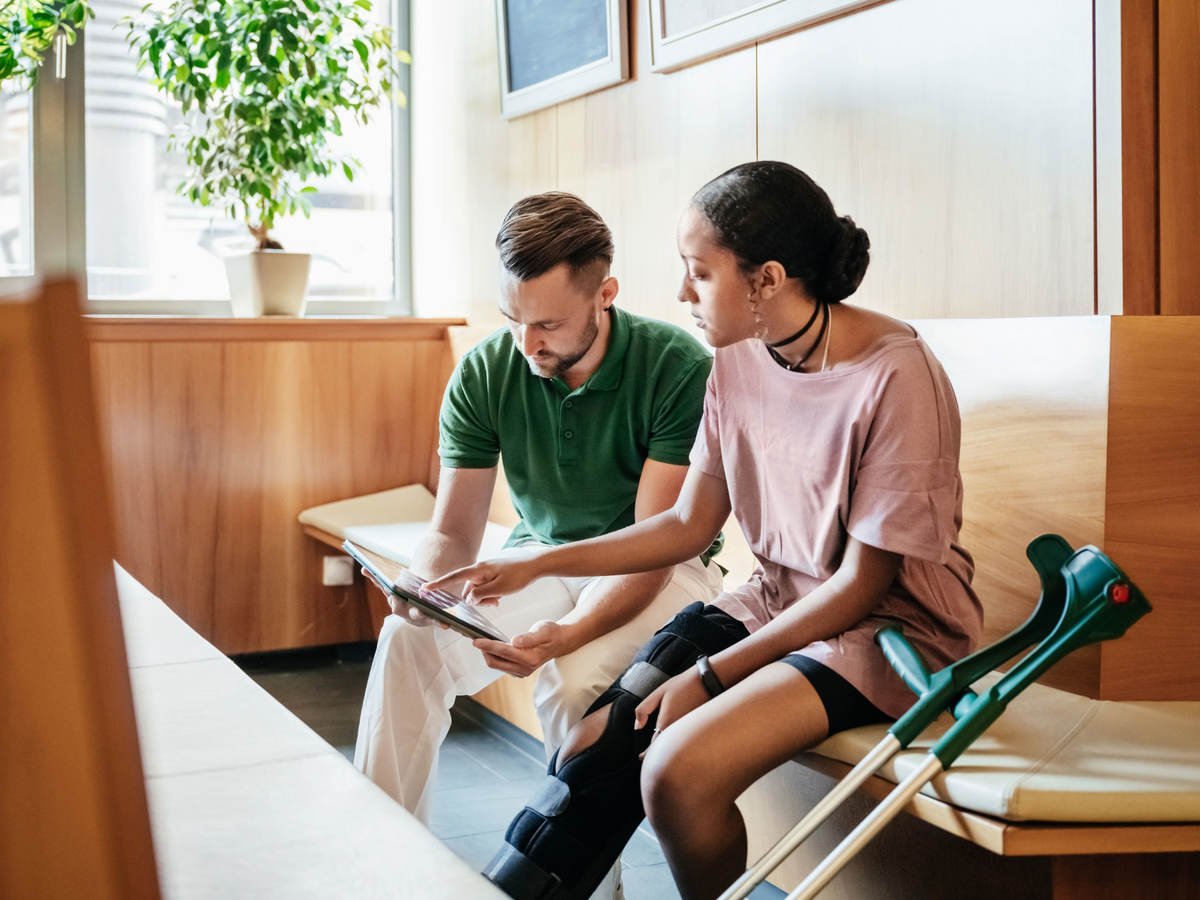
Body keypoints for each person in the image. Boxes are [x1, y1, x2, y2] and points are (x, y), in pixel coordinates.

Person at [426, 162, 983, 900]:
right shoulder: (738, 360)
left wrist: (712, 674)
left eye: (699, 272)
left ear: (768, 279)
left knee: (676, 773)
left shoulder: (895, 375)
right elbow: (687, 523)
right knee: (592, 746)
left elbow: (862, 586)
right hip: (775, 603)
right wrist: (535, 565)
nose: (683, 292)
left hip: (887, 637)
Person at [353, 191, 723, 839]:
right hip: (534, 561)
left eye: (547, 325)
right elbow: (452, 529)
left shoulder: (677, 366)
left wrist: (569, 635)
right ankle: (384, 856)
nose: (526, 343)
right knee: (406, 642)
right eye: (512, 318)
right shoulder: (486, 369)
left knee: (573, 680)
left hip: (662, 568)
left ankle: (574, 881)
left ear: (605, 293)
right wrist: (424, 588)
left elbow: (657, 547)